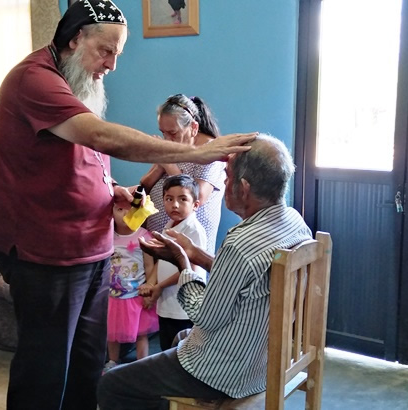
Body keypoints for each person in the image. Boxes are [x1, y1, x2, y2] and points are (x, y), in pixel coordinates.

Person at [0, 1, 255, 408]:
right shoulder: (34, 80)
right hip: (47, 251)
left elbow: (75, 155)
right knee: (45, 368)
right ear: (75, 39)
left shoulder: (74, 79)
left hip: (91, 247)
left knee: (88, 363)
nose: (111, 65)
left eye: (118, 54)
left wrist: (109, 189)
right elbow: (99, 137)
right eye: (105, 51)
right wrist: (197, 153)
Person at [97, 134, 313, 409]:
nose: (224, 183)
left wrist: (183, 263)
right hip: (264, 359)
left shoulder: (240, 244)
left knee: (112, 384)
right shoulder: (294, 222)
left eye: (228, 176)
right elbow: (251, 279)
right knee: (180, 339)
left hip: (227, 371)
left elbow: (204, 317)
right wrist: (197, 254)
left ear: (244, 187)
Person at [141, 94, 225, 254]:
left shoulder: (210, 153)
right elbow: (145, 184)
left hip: (189, 249)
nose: (167, 140)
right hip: (158, 242)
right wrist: (161, 164)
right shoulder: (174, 148)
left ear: (193, 128)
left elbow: (198, 195)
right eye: (163, 133)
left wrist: (166, 162)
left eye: (173, 133)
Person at [147, 174, 207, 351]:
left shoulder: (193, 230)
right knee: (166, 347)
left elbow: (190, 269)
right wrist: (152, 283)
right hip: (167, 303)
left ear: (195, 205)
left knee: (181, 351)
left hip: (183, 306)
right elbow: (162, 260)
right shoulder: (169, 225)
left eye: (183, 199)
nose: (175, 205)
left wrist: (160, 286)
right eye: (169, 199)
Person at [105, 202, 159, 373]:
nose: (125, 214)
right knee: (112, 332)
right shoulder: (108, 235)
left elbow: (150, 266)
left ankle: (142, 364)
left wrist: (149, 288)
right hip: (113, 295)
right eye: (119, 209)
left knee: (141, 332)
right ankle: (112, 361)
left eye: (130, 209)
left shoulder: (144, 237)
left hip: (136, 295)